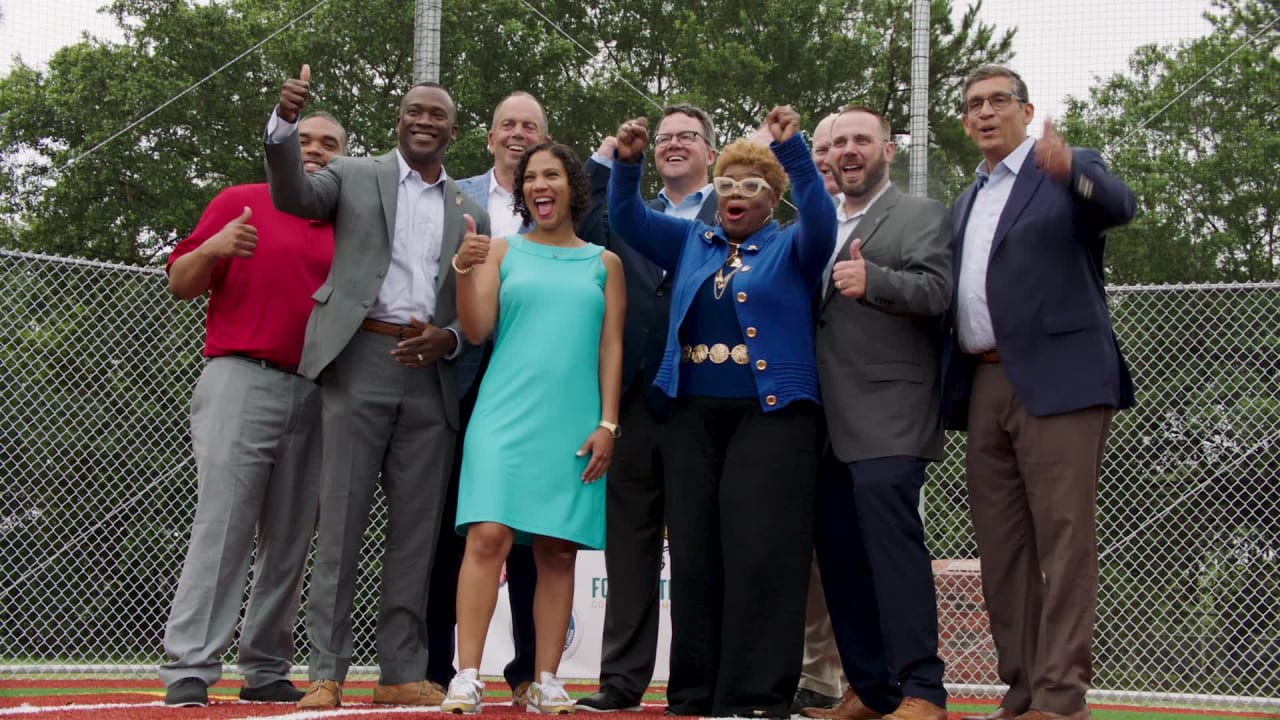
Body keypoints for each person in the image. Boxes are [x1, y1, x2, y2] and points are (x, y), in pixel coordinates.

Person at [264, 65, 491, 710]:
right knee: (339, 523)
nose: (424, 121)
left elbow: (473, 302)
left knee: (417, 533)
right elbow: (293, 198)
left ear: (452, 129)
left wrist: (447, 338)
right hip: (358, 356)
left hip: (431, 372)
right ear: (400, 119)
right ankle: (327, 674)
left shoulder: (469, 210)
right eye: (414, 110)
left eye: (437, 114)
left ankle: (399, 671)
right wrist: (283, 125)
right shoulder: (353, 174)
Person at [608, 106, 836, 718]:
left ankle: (758, 695)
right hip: (690, 417)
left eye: (752, 186)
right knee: (696, 552)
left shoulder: (793, 246)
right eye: (729, 184)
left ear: (772, 198)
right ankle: (693, 693)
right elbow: (626, 218)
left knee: (761, 552)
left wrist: (793, 151)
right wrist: (626, 165)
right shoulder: (692, 240)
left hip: (773, 419)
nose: (736, 195)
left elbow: (822, 219)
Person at [942, 65, 1136, 720]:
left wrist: (1067, 168)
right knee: (1001, 552)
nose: (986, 112)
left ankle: (1059, 699)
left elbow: (1119, 205)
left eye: (999, 101)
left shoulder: (1066, 168)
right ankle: (1022, 690)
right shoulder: (964, 200)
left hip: (1061, 379)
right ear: (966, 123)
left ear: (1027, 111)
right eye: (974, 105)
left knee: (1063, 543)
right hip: (984, 383)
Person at [158, 112, 346, 709]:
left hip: (322, 389)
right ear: (282, 145)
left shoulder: (348, 219)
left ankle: (265, 665)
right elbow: (181, 283)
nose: (315, 150)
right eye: (305, 139)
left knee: (291, 537)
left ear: (343, 157)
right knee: (223, 526)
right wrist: (212, 246)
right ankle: (190, 665)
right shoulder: (240, 200)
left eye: (329, 144)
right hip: (242, 377)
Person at [441, 142, 625, 715]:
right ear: (522, 193)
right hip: (502, 418)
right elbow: (475, 330)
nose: (540, 186)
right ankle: (467, 676)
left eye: (552, 175)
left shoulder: (604, 263)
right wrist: (463, 270)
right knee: (487, 539)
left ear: (573, 186)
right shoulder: (501, 251)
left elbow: (611, 347)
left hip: (573, 424)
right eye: (530, 179)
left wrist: (608, 424)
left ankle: (546, 679)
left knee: (557, 552)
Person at [806, 106, 952, 720]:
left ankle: (922, 691)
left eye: (861, 139)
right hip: (822, 426)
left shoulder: (920, 214)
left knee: (893, 557)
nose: (848, 151)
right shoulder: (816, 223)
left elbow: (939, 292)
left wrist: (877, 281)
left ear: (887, 150)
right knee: (840, 558)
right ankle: (870, 690)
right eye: (838, 143)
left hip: (891, 413)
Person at [576, 103, 720, 714]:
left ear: (711, 150)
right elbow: (582, 231)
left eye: (689, 136)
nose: (674, 144)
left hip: (703, 400)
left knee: (697, 548)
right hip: (630, 399)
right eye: (665, 138)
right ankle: (621, 682)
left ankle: (694, 688)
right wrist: (606, 162)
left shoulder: (738, 210)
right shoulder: (625, 211)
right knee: (628, 550)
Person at [427, 90, 547, 709]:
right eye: (508, 124)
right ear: (491, 136)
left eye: (530, 125)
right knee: (454, 527)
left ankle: (528, 670)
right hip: (464, 376)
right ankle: (436, 666)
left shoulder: (559, 206)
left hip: (541, 389)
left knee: (531, 534)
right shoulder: (456, 196)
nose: (518, 133)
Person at [792, 110, 849, 716]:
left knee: (858, 544)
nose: (833, 155)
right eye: (824, 146)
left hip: (870, 412)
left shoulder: (889, 218)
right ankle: (816, 672)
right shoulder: (793, 228)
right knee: (803, 550)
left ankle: (868, 677)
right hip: (802, 409)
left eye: (844, 145)